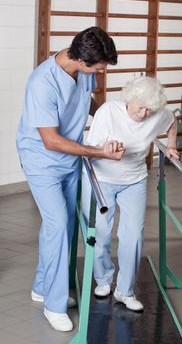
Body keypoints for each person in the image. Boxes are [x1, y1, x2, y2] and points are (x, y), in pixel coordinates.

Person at [16, 26, 125, 332]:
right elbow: (50, 140)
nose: (101, 73)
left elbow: (85, 102)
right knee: (57, 225)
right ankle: (54, 303)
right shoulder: (42, 82)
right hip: (42, 161)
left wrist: (108, 119)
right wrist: (98, 152)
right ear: (81, 59)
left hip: (69, 160)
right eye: (100, 68)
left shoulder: (84, 71)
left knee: (67, 225)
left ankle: (42, 285)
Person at [81, 76, 180, 312]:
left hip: (134, 180)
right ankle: (103, 279)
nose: (145, 114)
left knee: (133, 235)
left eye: (150, 109)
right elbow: (91, 151)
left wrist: (173, 144)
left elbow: (171, 121)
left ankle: (125, 290)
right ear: (129, 99)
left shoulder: (157, 113)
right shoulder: (108, 112)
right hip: (102, 177)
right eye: (140, 108)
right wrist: (109, 151)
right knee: (101, 232)